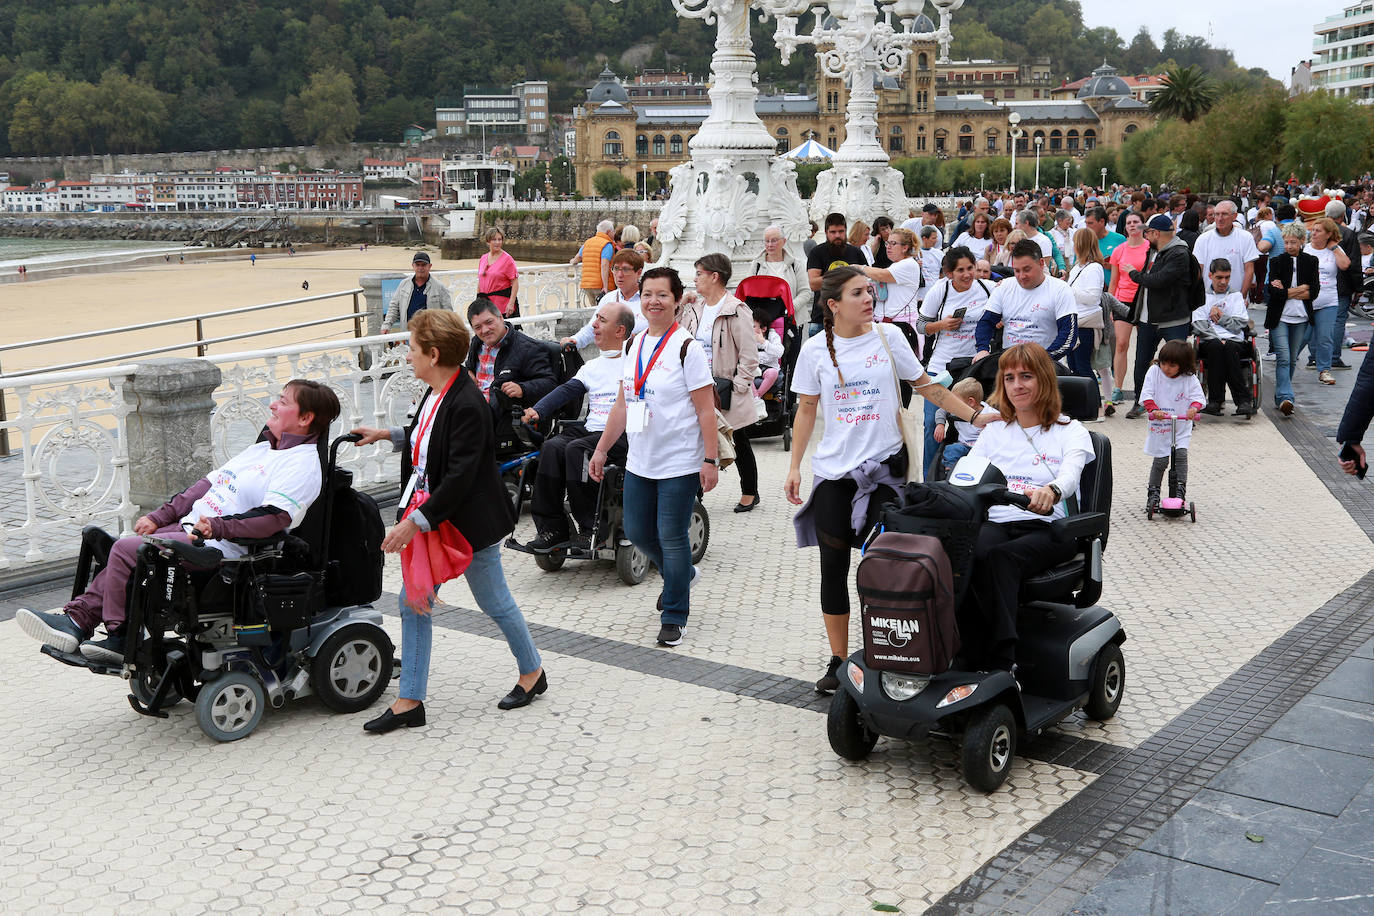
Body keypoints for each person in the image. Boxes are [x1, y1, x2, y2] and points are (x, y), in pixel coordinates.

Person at [17, 380, 341, 663]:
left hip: (222, 551)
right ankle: (78, 620)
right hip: (192, 531)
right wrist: (162, 516)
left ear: (305, 417)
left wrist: (219, 525)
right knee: (107, 545)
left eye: (283, 401)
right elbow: (205, 486)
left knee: (129, 552)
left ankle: (115, 635)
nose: (273, 403)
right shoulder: (262, 449)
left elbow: (273, 519)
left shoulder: (302, 466)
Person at [787, 266, 992, 692]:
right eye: (858, 293)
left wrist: (975, 415)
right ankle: (839, 661)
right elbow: (806, 410)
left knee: (883, 565)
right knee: (833, 568)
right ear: (833, 304)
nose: (869, 299)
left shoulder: (890, 337)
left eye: (870, 291)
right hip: (834, 473)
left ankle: (884, 653)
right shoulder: (813, 351)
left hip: (885, 471)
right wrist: (794, 467)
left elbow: (928, 387)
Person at [352, 310, 546, 731]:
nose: (407, 356)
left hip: (465, 524)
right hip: (436, 517)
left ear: (433, 353)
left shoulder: (468, 402)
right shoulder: (441, 390)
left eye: (413, 348)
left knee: (492, 601)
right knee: (413, 600)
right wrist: (387, 435)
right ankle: (411, 702)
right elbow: (429, 435)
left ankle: (532, 672)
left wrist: (411, 523)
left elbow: (459, 476)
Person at [589, 266, 720, 648]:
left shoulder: (686, 348)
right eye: (647, 294)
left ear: (677, 300)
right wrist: (600, 449)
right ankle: (681, 575)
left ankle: (674, 613)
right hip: (640, 460)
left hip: (679, 460)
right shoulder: (632, 344)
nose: (654, 301)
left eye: (662, 295)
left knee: (672, 536)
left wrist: (709, 461)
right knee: (639, 532)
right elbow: (623, 403)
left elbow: (706, 410)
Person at [963, 343, 1094, 672]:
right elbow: (969, 475)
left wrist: (1051, 490)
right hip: (997, 523)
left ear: (1045, 381)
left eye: (1026, 376)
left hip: (1048, 528)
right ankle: (958, 646)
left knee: (1001, 559)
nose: (1016, 385)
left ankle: (1004, 659)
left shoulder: (1070, 431)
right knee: (961, 554)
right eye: (1009, 378)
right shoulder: (994, 430)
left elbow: (1071, 476)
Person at [522, 301, 636, 551]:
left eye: (602, 321)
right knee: (552, 447)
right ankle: (552, 528)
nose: (593, 325)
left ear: (620, 331)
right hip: (591, 430)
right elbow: (565, 391)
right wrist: (538, 410)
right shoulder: (592, 366)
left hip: (622, 435)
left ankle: (592, 527)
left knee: (576, 449)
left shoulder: (635, 361)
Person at [683, 253, 760, 512]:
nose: (695, 279)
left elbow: (749, 355)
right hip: (697, 383)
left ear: (715, 276)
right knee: (697, 439)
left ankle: (750, 491)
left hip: (725, 386)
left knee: (738, 437)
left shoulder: (736, 310)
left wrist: (738, 386)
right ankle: (696, 497)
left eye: (699, 274)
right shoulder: (695, 307)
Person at [917, 246, 993, 468]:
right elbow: (921, 326)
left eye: (971, 268)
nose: (968, 274)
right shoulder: (940, 291)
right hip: (942, 367)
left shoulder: (987, 288)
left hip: (975, 367)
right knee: (932, 423)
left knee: (978, 423)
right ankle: (928, 480)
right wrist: (942, 325)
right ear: (949, 273)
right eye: (960, 270)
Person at [1124, 215, 1195, 420]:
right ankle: (1140, 402)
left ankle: (1187, 407)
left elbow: (1158, 280)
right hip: (1148, 318)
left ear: (1155, 233)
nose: (1145, 236)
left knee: (1180, 365)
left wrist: (1134, 274)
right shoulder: (1153, 250)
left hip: (1173, 319)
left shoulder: (1179, 252)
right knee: (1142, 363)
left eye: (1147, 232)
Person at [463, 298, 559, 436]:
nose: (485, 330)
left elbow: (550, 383)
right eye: (478, 327)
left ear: (501, 318)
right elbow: (470, 369)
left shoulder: (527, 348)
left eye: (489, 322)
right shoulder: (477, 342)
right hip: (473, 408)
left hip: (502, 419)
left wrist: (522, 388)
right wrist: (466, 372)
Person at [974, 239, 1077, 363]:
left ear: (1041, 263)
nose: (1022, 276)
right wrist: (982, 349)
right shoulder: (1004, 287)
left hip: (1045, 364)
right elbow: (986, 322)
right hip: (1010, 362)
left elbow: (1068, 335)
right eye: (1017, 270)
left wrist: (1042, 359)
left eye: (1027, 269)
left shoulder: (1060, 289)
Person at [1140, 340, 1204, 513]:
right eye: (1163, 363)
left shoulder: (1188, 378)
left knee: (1181, 455)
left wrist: (1193, 408)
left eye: (1172, 365)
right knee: (1160, 460)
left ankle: (1180, 491)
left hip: (1181, 426)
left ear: (1182, 366)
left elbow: (1198, 397)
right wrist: (1154, 409)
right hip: (1161, 425)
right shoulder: (1154, 372)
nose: (1166, 368)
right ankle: (1153, 493)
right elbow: (1146, 394)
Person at [1265, 222, 1318, 417]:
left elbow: (1314, 291)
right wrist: (1298, 290)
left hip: (1301, 316)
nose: (1288, 246)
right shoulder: (1277, 261)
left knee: (1293, 359)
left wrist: (1287, 291)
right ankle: (1287, 397)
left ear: (1302, 241)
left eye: (1293, 242)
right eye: (1286, 242)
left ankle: (1281, 398)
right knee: (1284, 356)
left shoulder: (1311, 261)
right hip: (1280, 316)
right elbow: (1273, 293)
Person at [1193, 258, 1256, 417]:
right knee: (1216, 346)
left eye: (1227, 277)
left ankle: (1240, 401)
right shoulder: (1201, 296)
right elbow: (1199, 325)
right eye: (1219, 277)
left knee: (1228, 347)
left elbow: (1239, 324)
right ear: (1210, 275)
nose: (1223, 281)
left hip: (1234, 341)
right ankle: (1219, 400)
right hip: (1210, 341)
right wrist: (1217, 336)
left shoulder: (1235, 296)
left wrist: (1220, 317)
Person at [562, 249, 647, 349]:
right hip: (611, 357)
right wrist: (575, 340)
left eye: (625, 270)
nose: (619, 275)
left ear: (639, 272)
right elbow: (592, 328)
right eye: (616, 269)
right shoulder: (608, 299)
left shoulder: (648, 300)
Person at [1107, 212, 1150, 403]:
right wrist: (1109, 304)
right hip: (1122, 300)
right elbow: (1114, 281)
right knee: (1121, 344)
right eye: (1129, 223)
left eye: (1136, 222)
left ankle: (1145, 388)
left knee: (1144, 347)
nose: (1132, 225)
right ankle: (1117, 387)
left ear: (1143, 226)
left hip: (1144, 301)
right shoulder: (1119, 250)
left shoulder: (1150, 248)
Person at [1304, 216, 1351, 385]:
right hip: (1306, 300)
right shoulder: (1305, 249)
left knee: (1325, 337)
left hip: (1328, 301)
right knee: (1303, 337)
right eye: (1313, 230)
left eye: (1318, 231)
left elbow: (1345, 265)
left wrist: (1335, 247)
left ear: (1328, 234)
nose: (1313, 233)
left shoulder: (1334, 250)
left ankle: (1324, 370)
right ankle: (1288, 366)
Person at [806, 212, 868, 337]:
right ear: (826, 232)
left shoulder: (856, 253)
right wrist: (844, 276)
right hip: (821, 319)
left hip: (852, 318)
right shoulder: (817, 252)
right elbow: (813, 284)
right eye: (833, 232)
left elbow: (865, 281)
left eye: (841, 231)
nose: (837, 235)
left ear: (845, 230)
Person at [858, 227, 924, 336]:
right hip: (886, 323)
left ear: (905, 248)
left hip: (901, 324)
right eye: (887, 243)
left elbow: (881, 275)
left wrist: (859, 267)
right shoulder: (896, 265)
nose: (888, 247)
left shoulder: (909, 264)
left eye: (893, 243)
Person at [1323, 200, 1363, 371]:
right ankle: (1333, 357)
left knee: (1319, 320)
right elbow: (1354, 263)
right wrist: (1359, 288)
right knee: (1338, 320)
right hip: (1341, 284)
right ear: (1342, 216)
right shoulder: (1347, 234)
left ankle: (1314, 356)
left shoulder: (1317, 232)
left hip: (1321, 283)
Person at [1192, 200, 1260, 300]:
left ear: (1234, 216)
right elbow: (1198, 270)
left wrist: (1242, 297)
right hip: (1208, 299)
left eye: (1224, 214)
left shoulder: (1245, 237)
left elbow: (1249, 269)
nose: (1219, 218)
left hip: (1236, 298)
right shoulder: (1203, 239)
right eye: (1217, 214)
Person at [746, 224, 813, 324]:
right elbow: (748, 292)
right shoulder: (756, 265)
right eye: (767, 241)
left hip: (791, 320)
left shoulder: (796, 264)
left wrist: (790, 307)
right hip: (763, 321)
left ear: (784, 241)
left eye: (774, 240)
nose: (770, 244)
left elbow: (805, 292)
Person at [1066, 228, 1107, 384]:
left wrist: (1069, 290)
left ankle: (1094, 403)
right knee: (1073, 366)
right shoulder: (1077, 267)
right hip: (1074, 321)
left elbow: (1093, 298)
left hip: (1086, 322)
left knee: (1083, 367)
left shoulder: (1094, 268)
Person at [381, 252, 454, 334]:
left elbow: (448, 313)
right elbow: (394, 307)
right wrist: (386, 325)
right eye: (417, 265)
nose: (420, 268)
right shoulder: (404, 284)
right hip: (407, 333)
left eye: (423, 265)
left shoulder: (440, 287)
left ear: (429, 266)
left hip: (430, 335)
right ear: (413, 266)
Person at [933, 377, 996, 471]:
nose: (953, 404)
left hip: (983, 449)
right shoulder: (955, 409)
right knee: (951, 449)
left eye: (956, 401)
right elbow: (941, 411)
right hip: (963, 446)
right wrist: (940, 424)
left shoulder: (989, 413)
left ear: (971, 402)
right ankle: (949, 472)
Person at [571, 219, 615, 308]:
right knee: (605, 311)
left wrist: (572, 261)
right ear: (608, 232)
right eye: (613, 231)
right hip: (600, 285)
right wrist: (605, 286)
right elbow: (604, 265)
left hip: (587, 284)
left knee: (593, 310)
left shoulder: (587, 242)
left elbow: (577, 258)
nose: (614, 234)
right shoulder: (607, 245)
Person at [477, 227, 519, 317]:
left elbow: (515, 283)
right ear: (488, 242)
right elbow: (480, 282)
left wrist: (511, 303)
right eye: (494, 239)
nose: (497, 242)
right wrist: (478, 300)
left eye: (499, 239)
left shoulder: (507, 259)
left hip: (502, 305)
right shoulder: (483, 258)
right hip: (485, 306)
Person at [752, 311, 784, 397]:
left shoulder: (772, 336)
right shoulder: (747, 337)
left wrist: (763, 342)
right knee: (742, 372)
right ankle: (756, 398)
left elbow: (779, 352)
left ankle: (757, 397)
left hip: (769, 368)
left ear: (763, 329)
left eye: (754, 326)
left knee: (772, 373)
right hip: (752, 368)